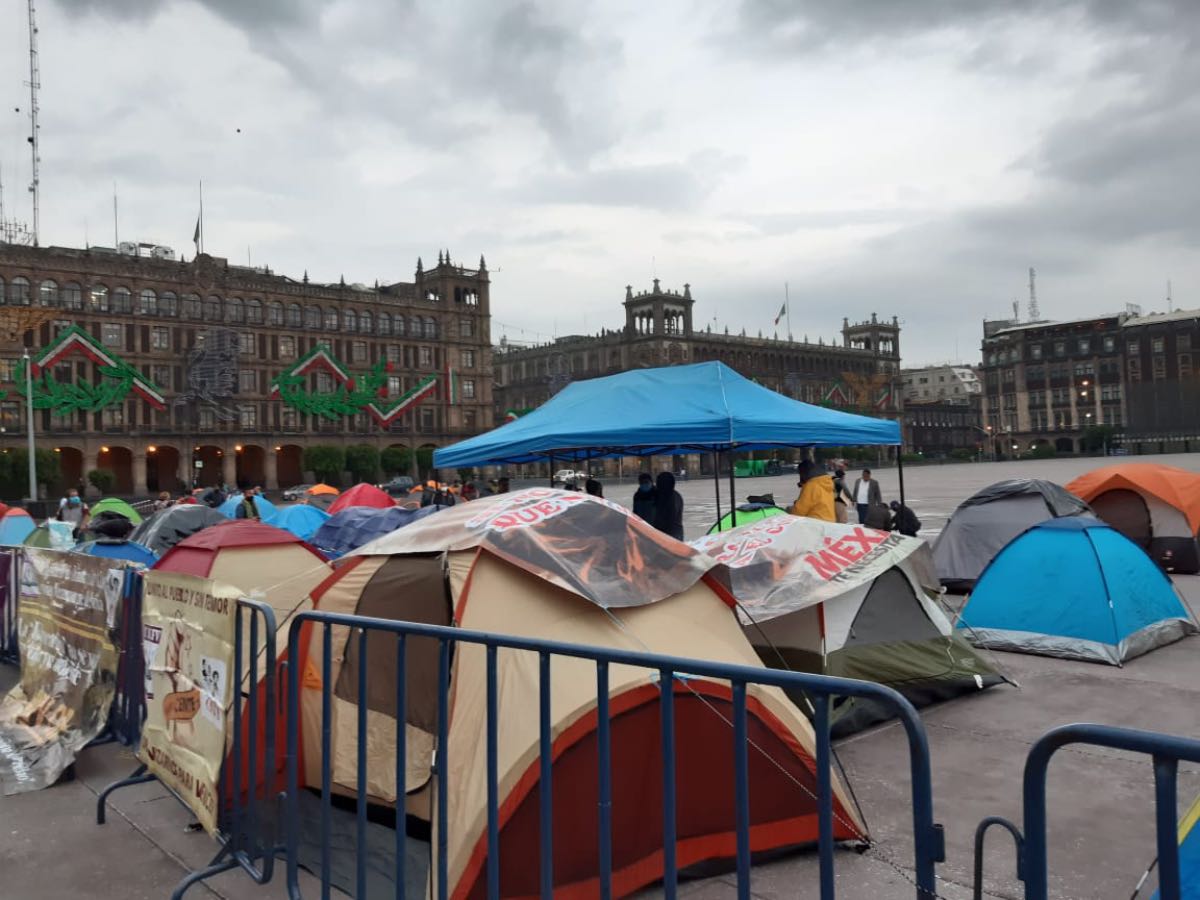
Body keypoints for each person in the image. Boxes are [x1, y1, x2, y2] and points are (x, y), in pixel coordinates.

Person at [651, 471, 684, 541]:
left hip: (669, 536)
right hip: (675, 535)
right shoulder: (676, 495)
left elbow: (669, 519)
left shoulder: (669, 498)